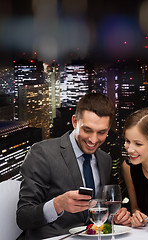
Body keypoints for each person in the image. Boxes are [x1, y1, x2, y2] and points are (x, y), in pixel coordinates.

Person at [17, 93, 131, 240]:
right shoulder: (42, 153)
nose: (93, 140)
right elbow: (23, 217)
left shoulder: (105, 160)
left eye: (101, 132)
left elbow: (101, 209)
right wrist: (57, 204)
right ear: (75, 122)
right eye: (87, 130)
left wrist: (117, 217)